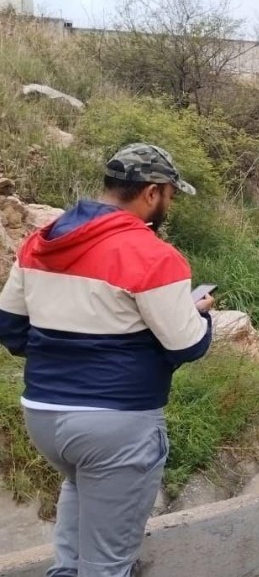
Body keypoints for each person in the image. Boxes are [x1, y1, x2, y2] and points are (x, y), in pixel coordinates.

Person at [0, 143, 213, 577]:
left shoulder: (41, 241)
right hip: (116, 424)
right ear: (151, 193)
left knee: (77, 508)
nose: (168, 205)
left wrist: (65, 353)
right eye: (170, 195)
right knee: (108, 565)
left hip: (43, 414)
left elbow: (10, 328)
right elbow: (186, 345)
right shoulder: (153, 255)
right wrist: (198, 315)